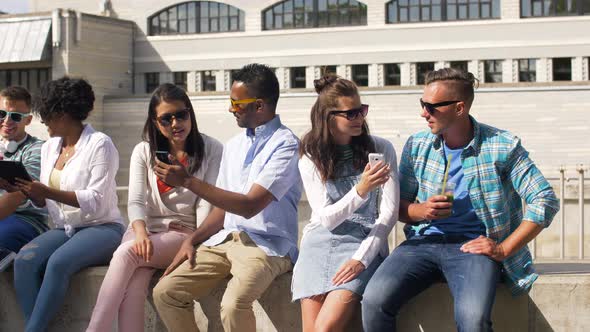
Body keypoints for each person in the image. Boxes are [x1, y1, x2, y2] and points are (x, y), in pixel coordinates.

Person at [362, 68, 559, 332]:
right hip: (422, 244)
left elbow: (544, 199)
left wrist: (503, 249)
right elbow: (400, 205)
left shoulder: (501, 145)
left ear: (459, 108)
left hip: (474, 248)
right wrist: (422, 210)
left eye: (431, 107)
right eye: (423, 104)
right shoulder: (418, 145)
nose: (423, 113)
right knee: (373, 302)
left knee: (473, 320)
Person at [151, 63, 302, 332]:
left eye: (236, 103)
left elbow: (249, 206)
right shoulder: (234, 145)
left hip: (267, 247)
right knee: (166, 293)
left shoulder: (286, 145)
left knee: (233, 306)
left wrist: (186, 180)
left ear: (258, 106)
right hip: (222, 242)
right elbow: (223, 209)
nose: (231, 108)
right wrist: (192, 239)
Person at [86, 83, 223, 332]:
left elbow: (206, 204)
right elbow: (136, 201)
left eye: (181, 115)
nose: (175, 123)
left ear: (190, 113)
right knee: (135, 286)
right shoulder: (143, 151)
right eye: (166, 118)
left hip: (183, 233)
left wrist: (193, 240)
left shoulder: (212, 149)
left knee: (127, 254)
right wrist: (140, 233)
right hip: (144, 230)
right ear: (155, 121)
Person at [13, 77, 125, 332]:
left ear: (63, 114)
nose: (43, 122)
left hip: (103, 228)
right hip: (65, 228)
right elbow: (46, 200)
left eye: (46, 115)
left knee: (58, 263)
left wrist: (47, 191)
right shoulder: (50, 147)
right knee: (24, 260)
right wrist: (31, 192)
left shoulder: (100, 144)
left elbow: (95, 201)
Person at [292, 74, 399, 331]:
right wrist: (361, 189)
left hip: (362, 242)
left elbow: (389, 212)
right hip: (318, 244)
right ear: (327, 118)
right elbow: (326, 218)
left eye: (361, 110)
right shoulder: (311, 155)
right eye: (350, 114)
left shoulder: (381, 148)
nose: (360, 118)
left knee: (325, 328)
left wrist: (362, 258)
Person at [0, 87, 47, 259]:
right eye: (1, 114)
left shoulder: (38, 149)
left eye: (15, 116)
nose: (6, 121)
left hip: (26, 221)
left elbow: (17, 195)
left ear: (27, 120)